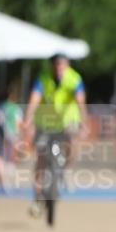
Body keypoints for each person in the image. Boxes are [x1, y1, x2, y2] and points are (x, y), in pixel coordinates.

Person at [22, 54, 89, 214]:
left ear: (68, 66)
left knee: (72, 140)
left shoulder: (74, 79)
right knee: (41, 159)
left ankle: (65, 168)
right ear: (52, 66)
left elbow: (81, 102)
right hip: (46, 121)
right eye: (57, 65)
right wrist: (27, 119)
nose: (59, 69)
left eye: (63, 65)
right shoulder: (43, 78)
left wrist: (84, 123)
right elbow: (34, 100)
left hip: (67, 119)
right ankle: (37, 198)